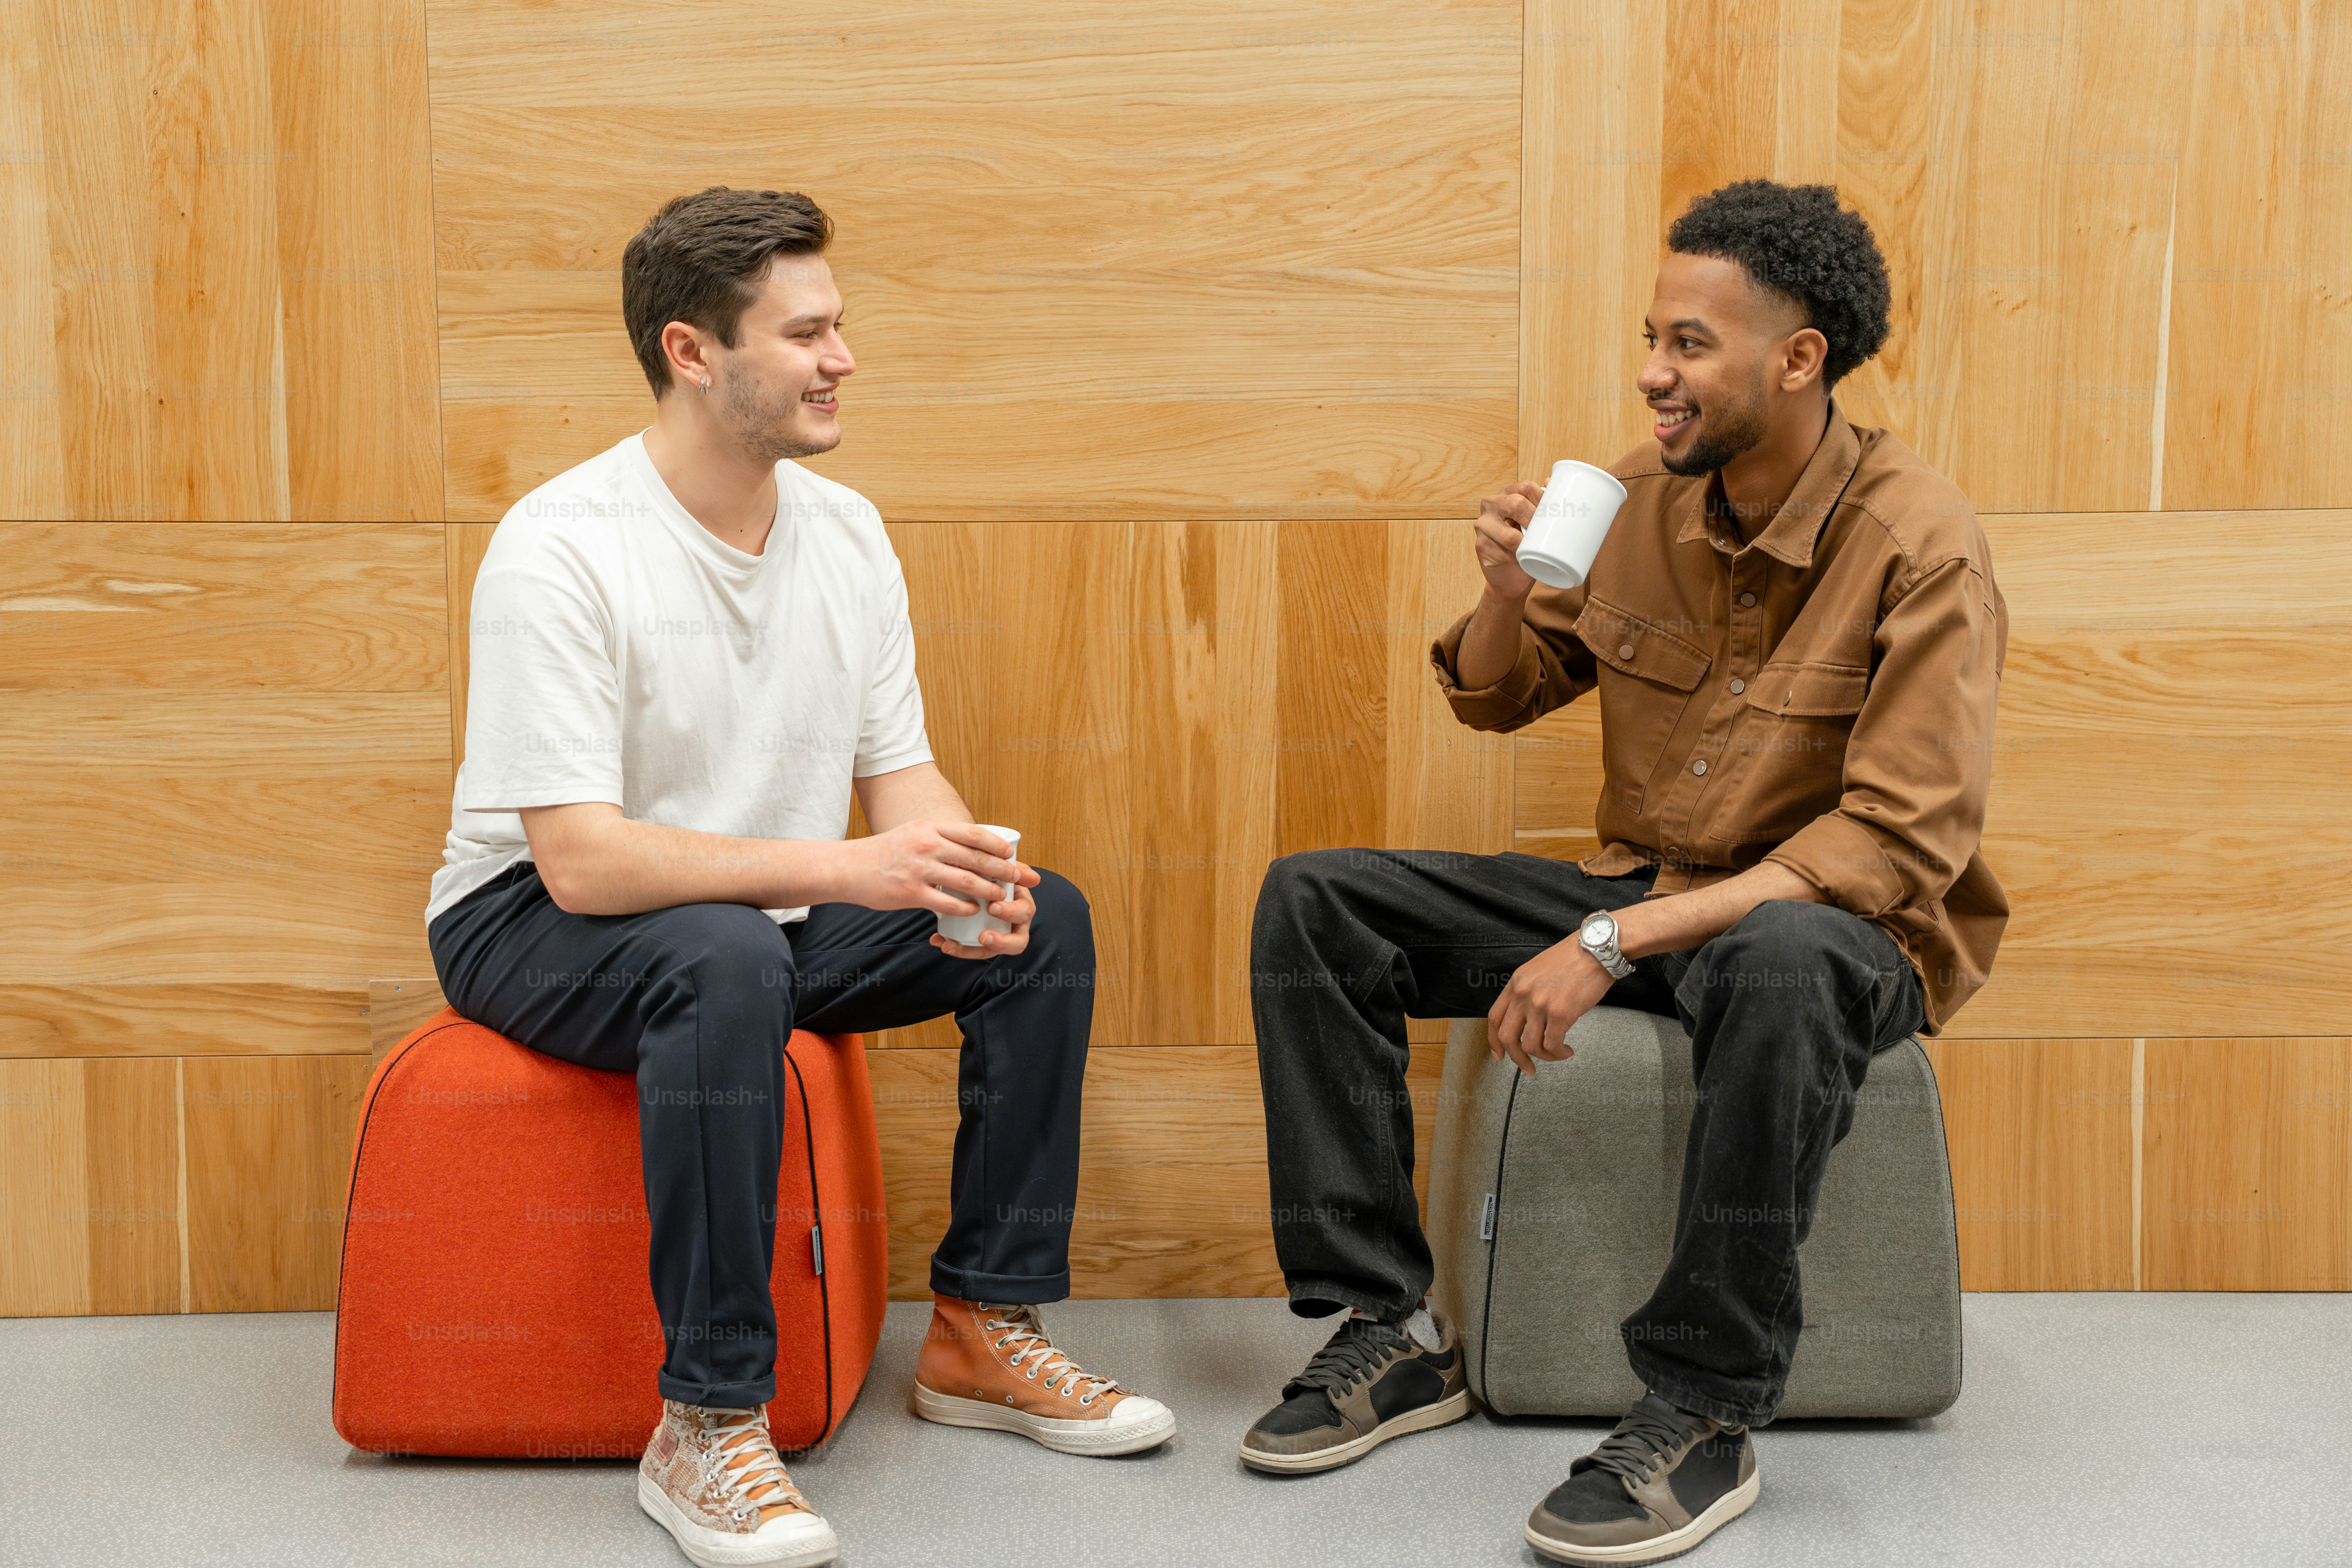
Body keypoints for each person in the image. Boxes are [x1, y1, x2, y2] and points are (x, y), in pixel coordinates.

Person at [1238, 179, 2007, 1566]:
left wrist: (1609, 948)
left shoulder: (1918, 542)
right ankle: (1382, 1331)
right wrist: (1494, 586)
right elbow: (1495, 695)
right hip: (1647, 888)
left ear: (1796, 358)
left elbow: (1889, 850)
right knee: (1318, 901)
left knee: (1776, 964)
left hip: (1828, 933)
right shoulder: (1639, 500)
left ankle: (1700, 1413)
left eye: (1690, 344)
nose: (1653, 371)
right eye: (1651, 336)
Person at [423, 185, 1172, 1568]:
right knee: (724, 954)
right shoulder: (562, 543)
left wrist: (963, 877)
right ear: (692, 351)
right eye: (806, 333)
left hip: (753, 912)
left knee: (1034, 919)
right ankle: (705, 1422)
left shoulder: (846, 531)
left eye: (840, 327)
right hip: (529, 919)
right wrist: (853, 867)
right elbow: (580, 862)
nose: (842, 359)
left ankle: (978, 1331)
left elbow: (903, 784)